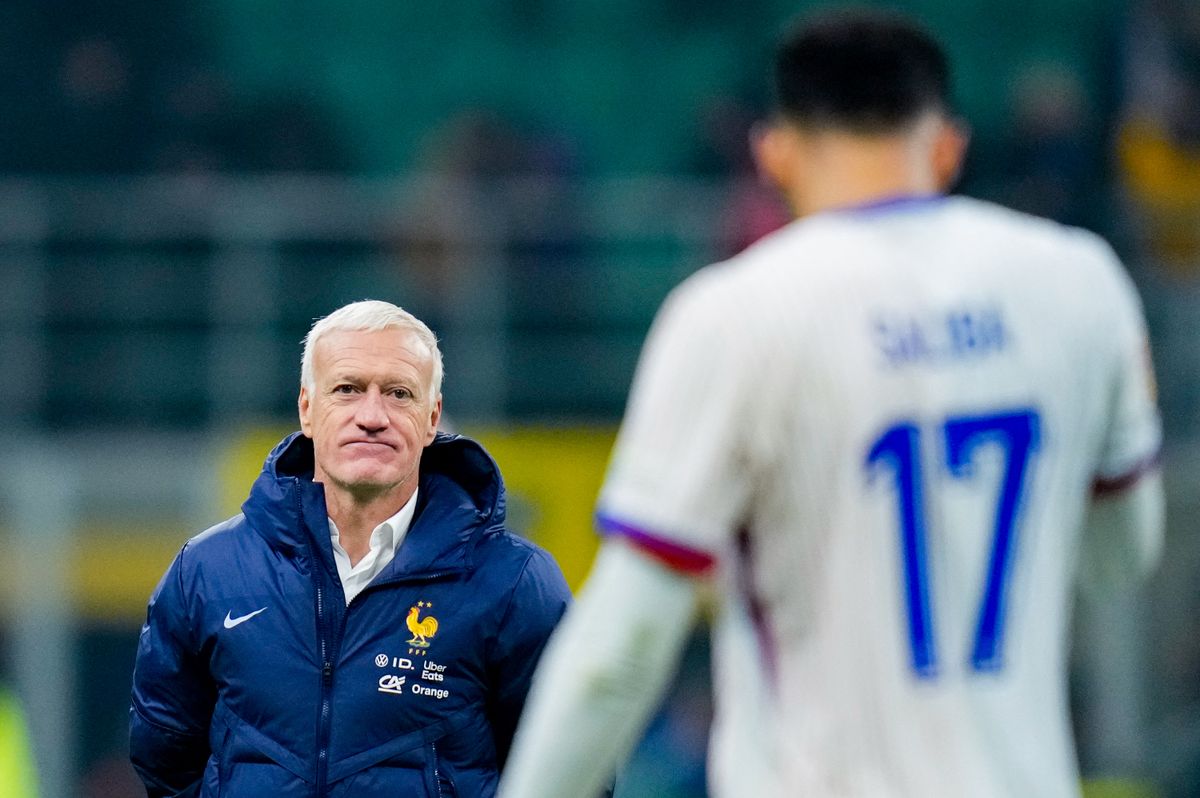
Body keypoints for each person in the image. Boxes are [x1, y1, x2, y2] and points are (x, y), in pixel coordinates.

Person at [498, 8, 1164, 798]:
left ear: (773, 154)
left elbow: (622, 652)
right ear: (949, 146)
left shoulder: (735, 314)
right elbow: (1122, 558)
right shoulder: (1081, 283)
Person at [130, 299, 571, 797]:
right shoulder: (209, 571)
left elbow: (569, 767)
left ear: (432, 418)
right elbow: (165, 757)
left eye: (399, 393)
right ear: (307, 409)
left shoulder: (513, 582)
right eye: (347, 389)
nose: (372, 416)